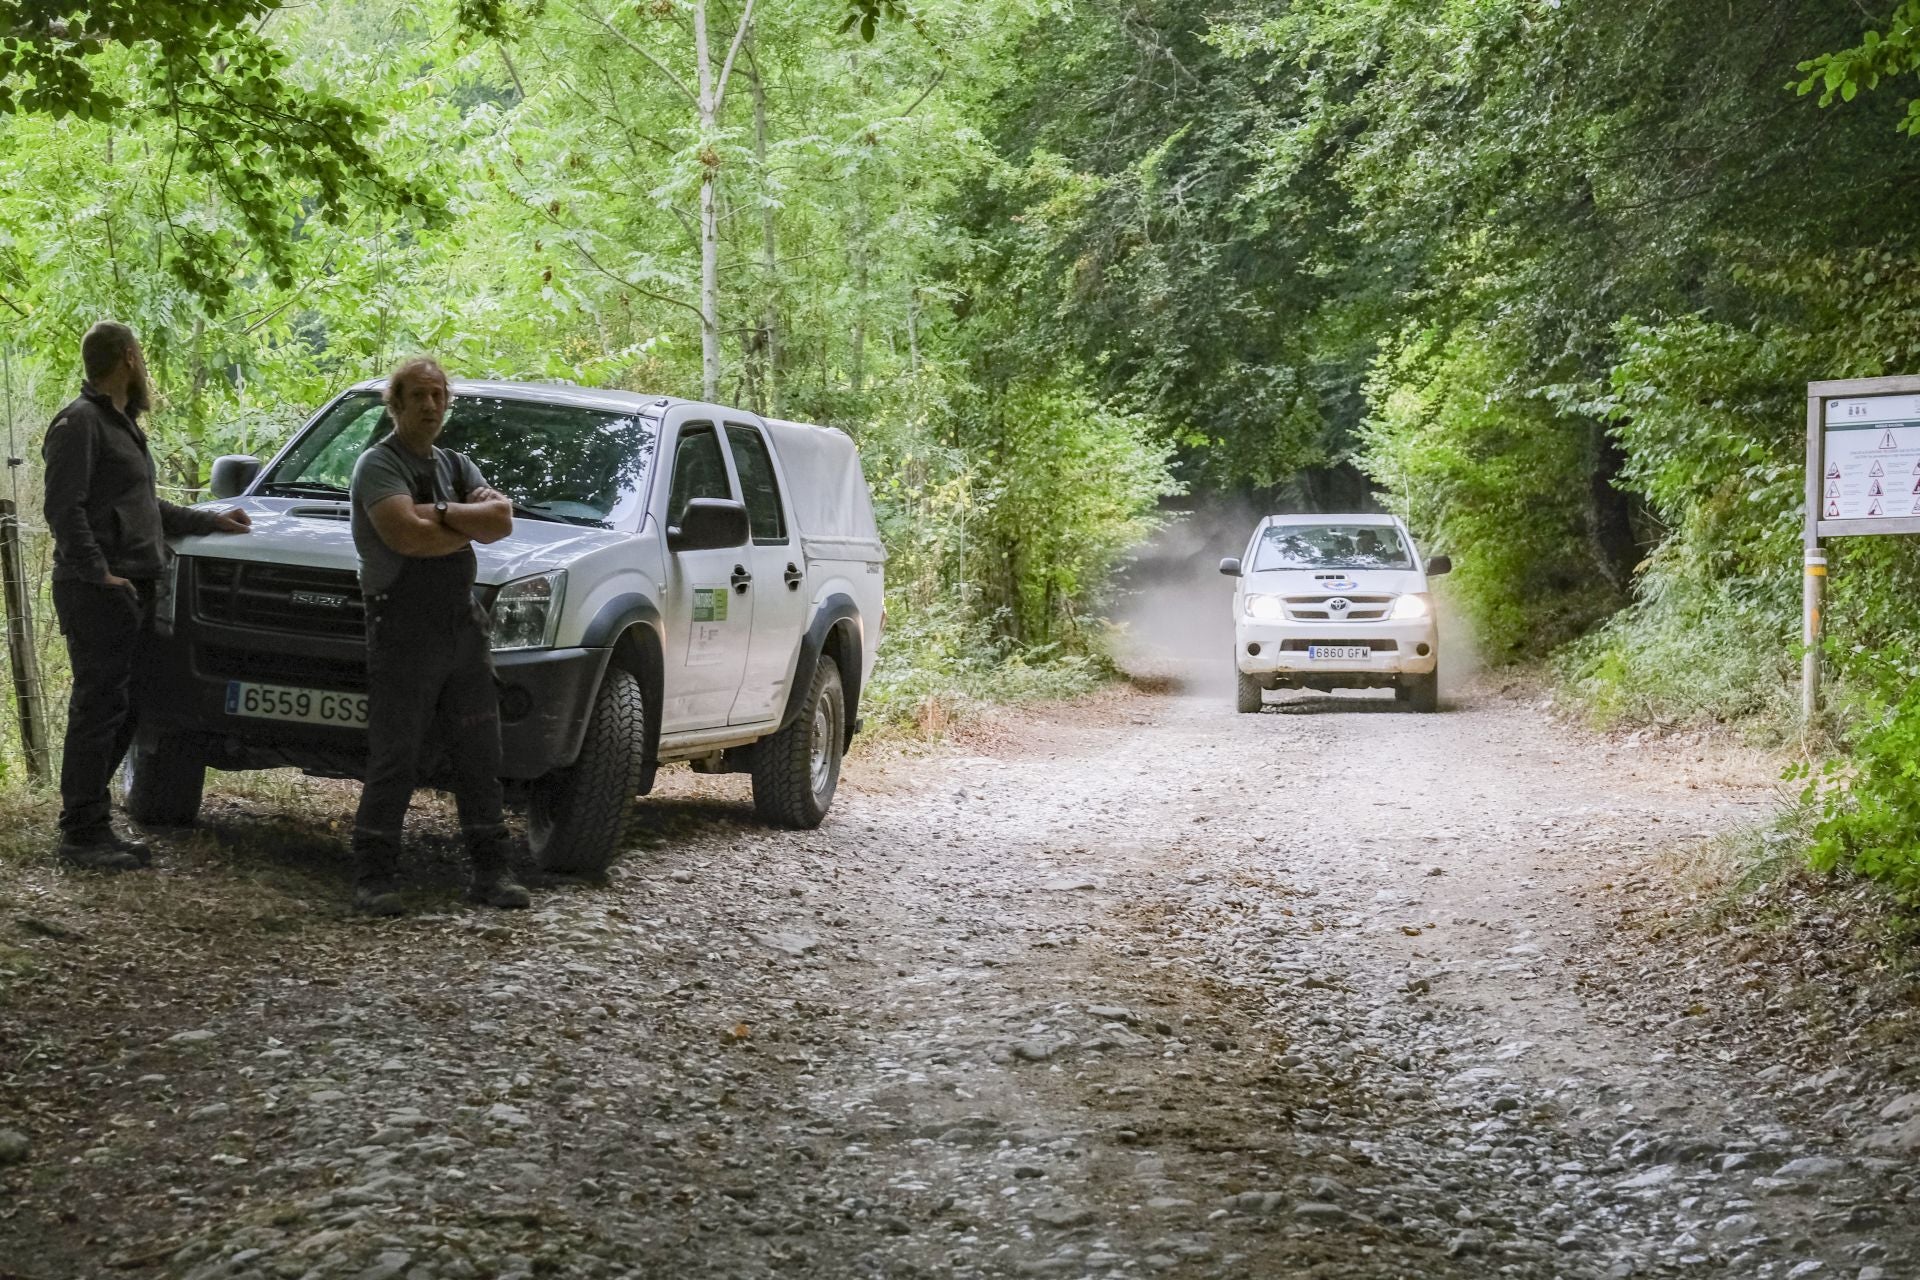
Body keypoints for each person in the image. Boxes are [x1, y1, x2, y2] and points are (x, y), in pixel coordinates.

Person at [42, 321, 251, 871]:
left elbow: (143, 507)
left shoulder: (121, 426)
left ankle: (91, 821)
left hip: (133, 584)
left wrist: (209, 521)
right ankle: (82, 831)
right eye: (142, 356)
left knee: (130, 704)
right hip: (99, 591)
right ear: (130, 358)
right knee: (98, 707)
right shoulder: (80, 423)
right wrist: (100, 575)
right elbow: (65, 510)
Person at [347, 357, 529, 915]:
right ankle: (374, 878)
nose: (430, 405)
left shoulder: (455, 464)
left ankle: (491, 874)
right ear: (395, 405)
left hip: (460, 626)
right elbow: (407, 538)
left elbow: (502, 521)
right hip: (402, 627)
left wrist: (441, 513)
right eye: (418, 396)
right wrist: (459, 528)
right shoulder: (377, 466)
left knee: (480, 750)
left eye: (438, 395)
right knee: (395, 755)